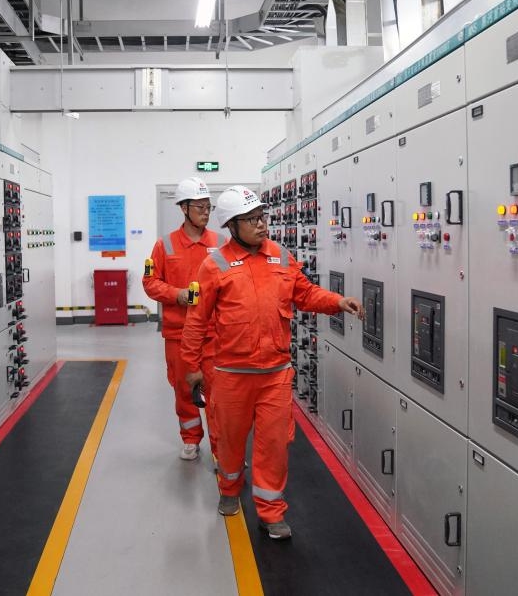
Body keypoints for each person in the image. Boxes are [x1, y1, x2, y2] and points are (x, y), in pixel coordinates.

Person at [180, 185, 363, 540]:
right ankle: (229, 489)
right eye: (251, 220)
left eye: (262, 217)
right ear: (232, 225)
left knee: (274, 445)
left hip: (275, 374)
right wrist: (192, 368)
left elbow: (305, 293)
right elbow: (196, 321)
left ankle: (271, 511)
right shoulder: (214, 264)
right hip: (231, 375)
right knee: (230, 440)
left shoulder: (280, 256)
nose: (261, 224)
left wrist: (337, 302)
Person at [143, 177, 224, 461]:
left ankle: (221, 448)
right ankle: (190, 439)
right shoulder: (163, 245)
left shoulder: (221, 243)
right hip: (178, 334)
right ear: (184, 208)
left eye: (208, 207)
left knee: (218, 393)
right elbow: (150, 282)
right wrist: (177, 295)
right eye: (200, 207)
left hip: (214, 334)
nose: (205, 212)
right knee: (184, 388)